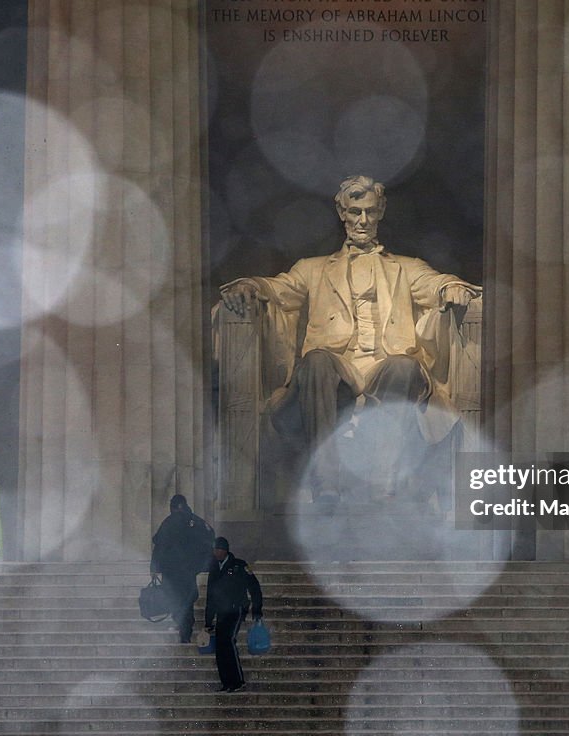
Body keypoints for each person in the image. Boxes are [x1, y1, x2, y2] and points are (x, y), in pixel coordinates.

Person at [220, 175, 481, 502]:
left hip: (385, 369)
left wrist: (451, 287)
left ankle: (383, 484)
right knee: (316, 361)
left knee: (404, 366)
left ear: (381, 212)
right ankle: (326, 483)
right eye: (355, 212)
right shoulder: (313, 269)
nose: (363, 220)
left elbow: (433, 283)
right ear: (342, 213)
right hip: (334, 373)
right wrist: (251, 286)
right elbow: (280, 288)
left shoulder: (406, 268)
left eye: (370, 212)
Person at [149, 494, 214, 643]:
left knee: (175, 599)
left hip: (172, 570)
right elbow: (209, 537)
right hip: (189, 570)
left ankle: (182, 626)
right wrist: (201, 564)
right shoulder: (196, 521)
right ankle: (185, 629)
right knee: (187, 599)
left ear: (174, 507)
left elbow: (160, 545)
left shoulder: (170, 522)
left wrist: (154, 568)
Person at [204, 536, 263, 693]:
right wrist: (208, 621)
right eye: (214, 549)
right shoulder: (214, 568)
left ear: (225, 550)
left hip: (236, 609)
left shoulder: (239, 566)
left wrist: (256, 610)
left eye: (218, 549)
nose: (215, 552)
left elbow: (254, 588)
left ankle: (237, 681)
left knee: (228, 641)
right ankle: (226, 682)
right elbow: (210, 595)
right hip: (222, 611)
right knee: (220, 646)